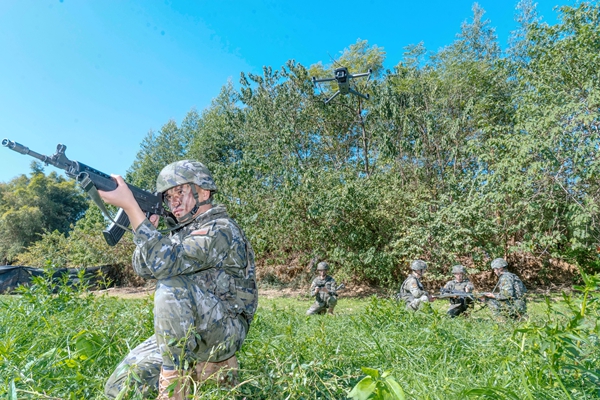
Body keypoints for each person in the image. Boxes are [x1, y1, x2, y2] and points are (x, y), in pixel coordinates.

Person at [99, 160, 258, 399]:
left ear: (203, 191)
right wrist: (144, 230)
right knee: (121, 385)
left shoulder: (221, 229)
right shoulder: (179, 233)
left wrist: (131, 207)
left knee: (170, 286)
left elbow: (167, 265)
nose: (173, 202)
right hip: (186, 328)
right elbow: (143, 268)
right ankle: (187, 371)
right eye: (168, 196)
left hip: (225, 331)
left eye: (180, 192)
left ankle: (174, 390)